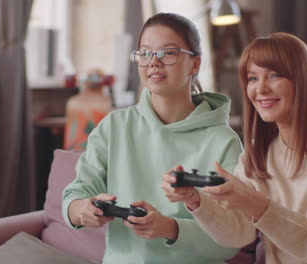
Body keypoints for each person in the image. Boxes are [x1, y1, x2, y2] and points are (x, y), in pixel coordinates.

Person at [162, 32, 307, 263]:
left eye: (274, 75)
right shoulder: (259, 151)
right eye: (252, 78)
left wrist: (257, 205)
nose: (261, 89)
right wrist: (196, 201)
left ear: (303, 80)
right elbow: (239, 233)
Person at [62, 12, 243, 263]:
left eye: (168, 53)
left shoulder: (224, 142)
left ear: (195, 64)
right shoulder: (115, 126)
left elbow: (231, 242)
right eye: (145, 53)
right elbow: (75, 195)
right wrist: (82, 210)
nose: (153, 63)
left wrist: (172, 228)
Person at [63, 68, 113, 150]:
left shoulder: (72, 102)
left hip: (70, 152)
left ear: (85, 83)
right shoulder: (105, 104)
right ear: (103, 84)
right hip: (90, 154)